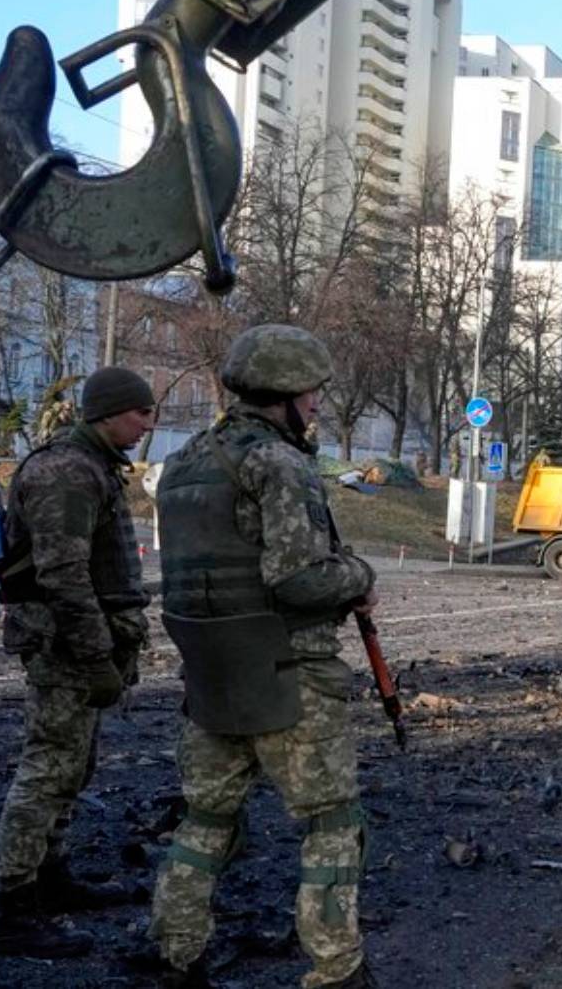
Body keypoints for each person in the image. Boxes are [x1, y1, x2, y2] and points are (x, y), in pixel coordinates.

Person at [150, 324, 378, 989]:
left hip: (212, 674)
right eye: (311, 394)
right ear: (282, 395)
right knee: (333, 823)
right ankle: (336, 969)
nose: (317, 406)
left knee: (206, 819)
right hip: (289, 676)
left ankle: (176, 951)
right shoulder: (278, 465)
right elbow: (297, 578)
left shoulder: (186, 460)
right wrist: (359, 578)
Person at [0, 367, 158, 958]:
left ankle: (50, 877)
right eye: (140, 412)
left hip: (83, 645)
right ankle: (15, 909)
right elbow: (63, 575)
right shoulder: (66, 471)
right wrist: (95, 659)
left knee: (72, 768)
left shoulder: (89, 465)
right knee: (47, 771)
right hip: (66, 648)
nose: (147, 423)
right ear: (109, 412)